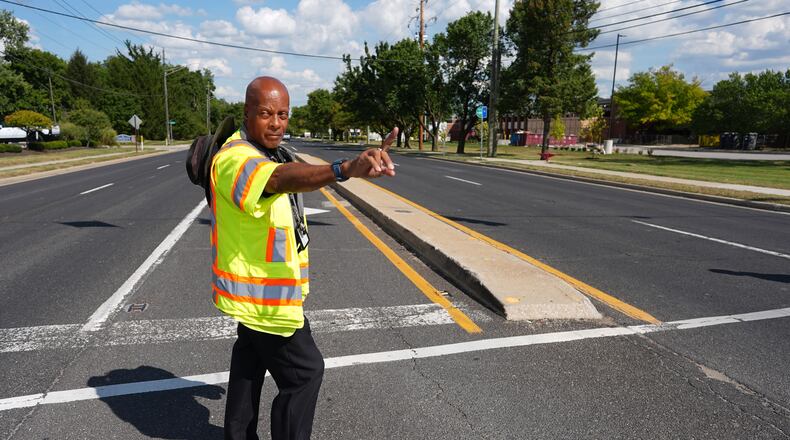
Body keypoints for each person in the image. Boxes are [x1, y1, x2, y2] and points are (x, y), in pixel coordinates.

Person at [209, 76, 397, 440]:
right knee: (305, 374)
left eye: (283, 114)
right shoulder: (234, 159)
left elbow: (292, 172)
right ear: (246, 114)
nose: (276, 123)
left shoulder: (269, 150)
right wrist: (344, 168)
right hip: (266, 301)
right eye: (265, 113)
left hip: (258, 296)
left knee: (249, 361)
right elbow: (280, 180)